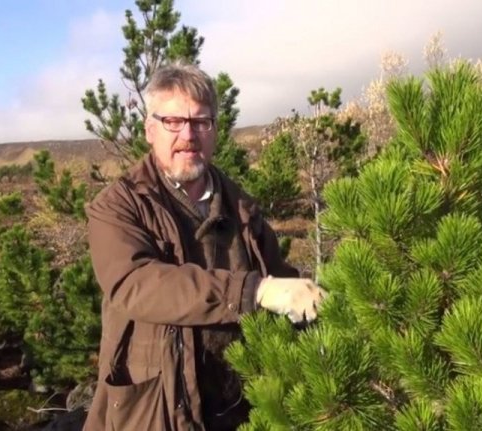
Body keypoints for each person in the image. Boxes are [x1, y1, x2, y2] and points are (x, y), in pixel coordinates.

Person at [82, 62, 327, 431]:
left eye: (201, 122)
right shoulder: (118, 206)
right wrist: (255, 291)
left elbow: (282, 283)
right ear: (150, 129)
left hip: (241, 410)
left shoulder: (242, 208)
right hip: (157, 412)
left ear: (215, 130)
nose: (188, 135)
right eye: (173, 121)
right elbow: (135, 285)